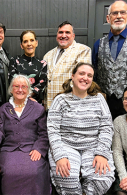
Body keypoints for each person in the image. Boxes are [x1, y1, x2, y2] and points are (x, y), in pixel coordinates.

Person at [48, 63, 115, 195]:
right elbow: (52, 129)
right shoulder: (60, 100)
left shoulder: (99, 99)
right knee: (67, 177)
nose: (85, 78)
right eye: (82, 73)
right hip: (66, 145)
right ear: (73, 76)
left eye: (89, 75)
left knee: (100, 179)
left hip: (93, 145)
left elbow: (107, 127)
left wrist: (101, 153)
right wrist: (60, 156)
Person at [0, 74, 50, 195]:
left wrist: (39, 148)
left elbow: (43, 133)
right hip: (9, 150)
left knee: (36, 171)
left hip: (31, 149)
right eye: (16, 86)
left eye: (24, 87)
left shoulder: (38, 108)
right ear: (11, 89)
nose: (20, 90)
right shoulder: (3, 109)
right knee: (10, 172)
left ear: (28, 90)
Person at [92, 0, 127, 120]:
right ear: (108, 18)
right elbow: (95, 72)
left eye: (122, 12)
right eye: (115, 13)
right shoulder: (99, 43)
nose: (119, 16)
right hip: (105, 101)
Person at [43, 21, 91, 110]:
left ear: (73, 35)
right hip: (50, 105)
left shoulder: (82, 50)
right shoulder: (48, 55)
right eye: (60, 32)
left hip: (71, 105)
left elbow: (82, 79)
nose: (63, 35)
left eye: (67, 32)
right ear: (57, 35)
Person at [8, 30, 47, 104]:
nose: (29, 44)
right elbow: (12, 81)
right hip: (17, 101)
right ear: (21, 45)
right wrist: (22, 96)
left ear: (36, 43)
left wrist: (27, 96)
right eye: (25, 41)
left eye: (32, 40)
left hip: (35, 103)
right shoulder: (14, 61)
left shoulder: (42, 63)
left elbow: (42, 83)